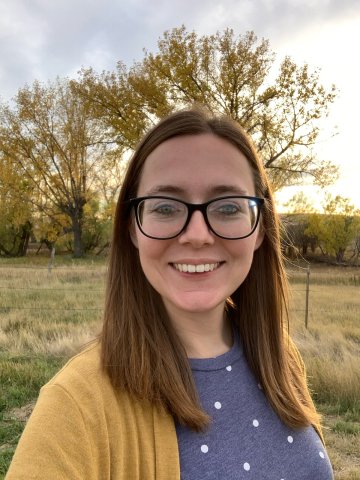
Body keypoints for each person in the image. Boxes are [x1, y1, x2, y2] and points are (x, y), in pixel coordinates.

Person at [6, 108, 333, 479]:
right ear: (133, 228)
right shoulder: (75, 407)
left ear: (259, 228)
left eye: (227, 207)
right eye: (165, 207)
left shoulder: (279, 357)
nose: (197, 234)